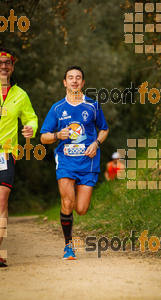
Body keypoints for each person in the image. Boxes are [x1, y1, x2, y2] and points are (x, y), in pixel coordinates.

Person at [40, 66, 109, 260]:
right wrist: (56, 135)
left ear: (83, 82)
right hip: (66, 162)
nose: (74, 81)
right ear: (64, 82)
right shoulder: (57, 108)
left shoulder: (92, 106)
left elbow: (104, 129)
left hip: (88, 162)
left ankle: (79, 193)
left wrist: (96, 143)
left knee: (81, 209)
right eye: (70, 78)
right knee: (67, 202)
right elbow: (44, 137)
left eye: (78, 78)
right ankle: (68, 246)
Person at [0, 48, 38, 267]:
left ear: (12, 67)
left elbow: (31, 117)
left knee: (2, 200)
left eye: (8, 63)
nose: (4, 66)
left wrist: (30, 128)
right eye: (0, 62)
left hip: (5, 153)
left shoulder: (20, 95)